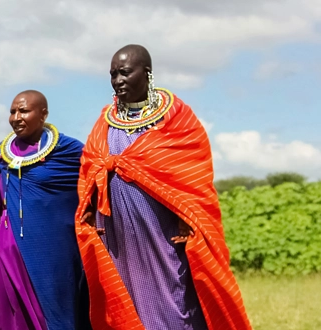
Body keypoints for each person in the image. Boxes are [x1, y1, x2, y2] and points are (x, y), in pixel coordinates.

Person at [76, 44, 252, 329]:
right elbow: (90, 164)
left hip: (163, 228)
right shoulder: (106, 121)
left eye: (124, 73)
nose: (117, 80)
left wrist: (188, 216)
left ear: (146, 73)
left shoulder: (176, 117)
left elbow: (191, 173)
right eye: (112, 75)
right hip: (117, 231)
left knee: (173, 295)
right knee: (124, 293)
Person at [0, 90, 91, 330]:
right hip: (6, 251)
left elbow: (94, 183)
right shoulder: (1, 153)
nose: (15, 117)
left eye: (23, 111)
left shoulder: (68, 151)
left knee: (56, 312)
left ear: (43, 114)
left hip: (52, 252)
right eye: (12, 111)